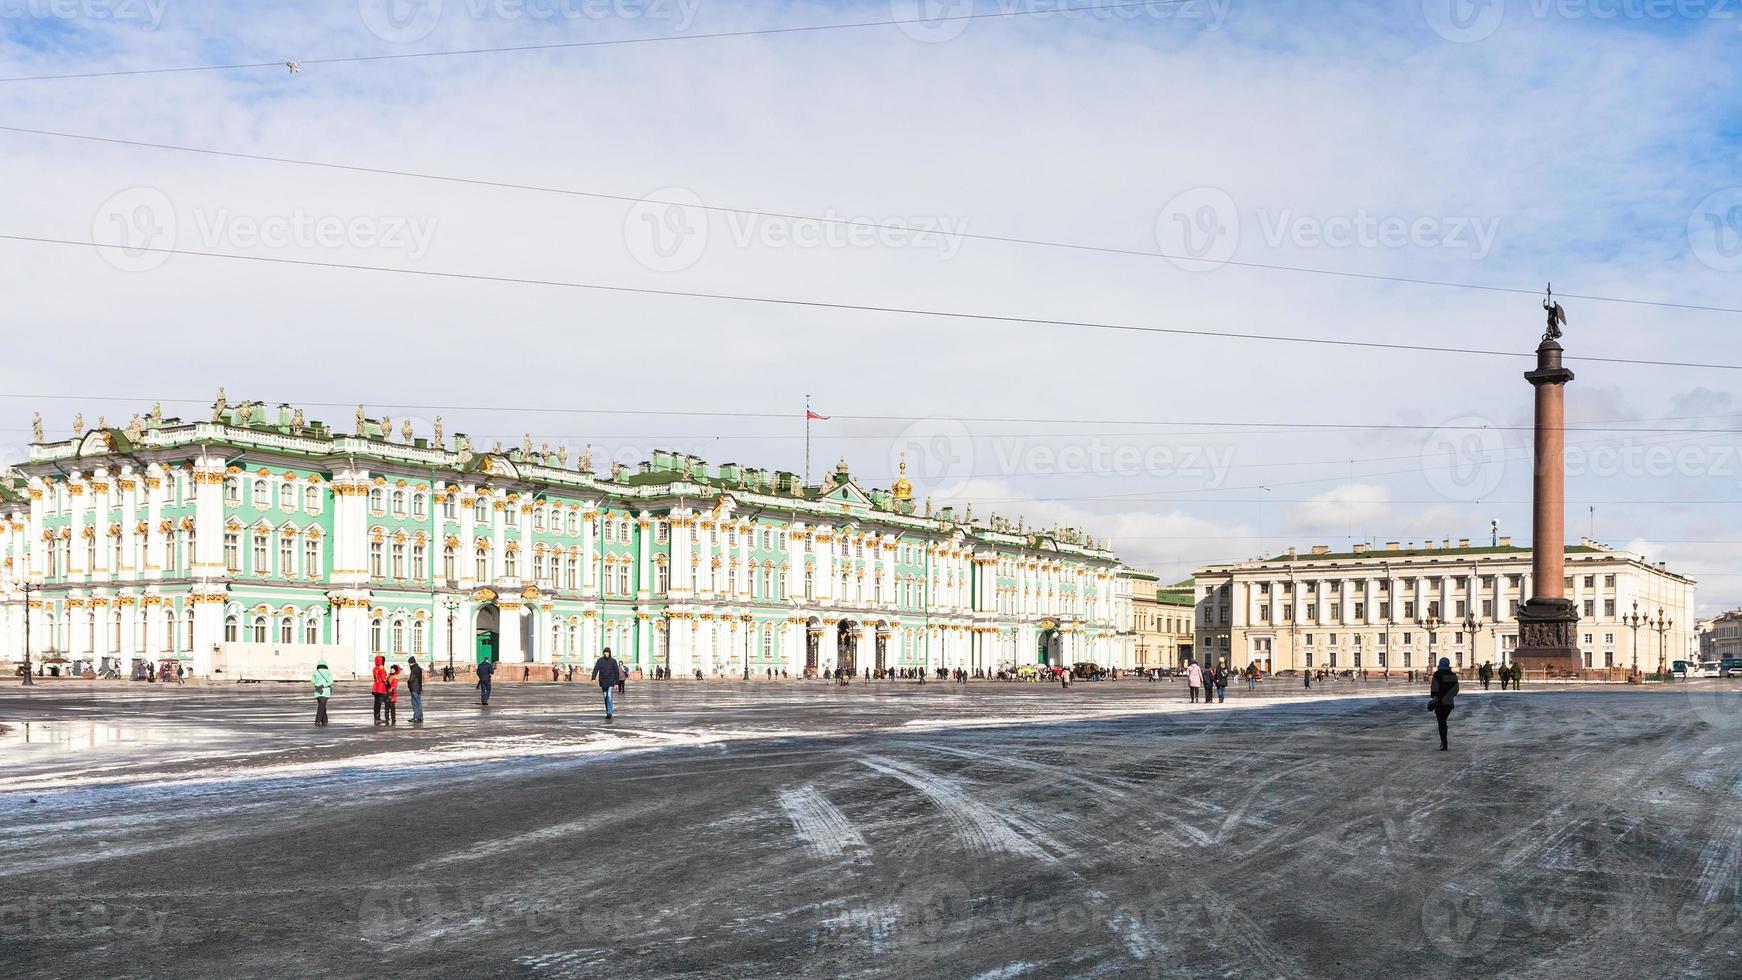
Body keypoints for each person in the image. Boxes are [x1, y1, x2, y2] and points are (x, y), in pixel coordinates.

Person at [1428, 656, 1459, 751]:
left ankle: (1444, 742)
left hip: (1439, 702)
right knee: (1443, 722)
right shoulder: (1452, 675)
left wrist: (1435, 698)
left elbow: (1434, 688)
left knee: (1441, 723)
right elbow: (1456, 689)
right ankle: (1444, 742)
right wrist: (1449, 696)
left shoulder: (1437, 674)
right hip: (1448, 703)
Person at [591, 647, 623, 720]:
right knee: (605, 697)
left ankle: (610, 713)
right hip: (603, 681)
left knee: (609, 696)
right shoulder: (600, 660)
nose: (606, 654)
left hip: (611, 681)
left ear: (610, 653)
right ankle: (607, 711)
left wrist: (617, 683)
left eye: (607, 652)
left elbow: (616, 672)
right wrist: (593, 678)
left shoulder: (613, 661)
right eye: (605, 652)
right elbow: (596, 669)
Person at [311, 660, 334, 726]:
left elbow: (313, 681)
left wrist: (318, 685)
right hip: (326, 691)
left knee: (322, 706)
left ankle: (325, 721)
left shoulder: (315, 672)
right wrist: (323, 685)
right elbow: (330, 682)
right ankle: (318, 721)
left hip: (318, 691)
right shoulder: (328, 672)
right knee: (322, 706)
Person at [371, 654, 388, 725]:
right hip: (381, 688)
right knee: (380, 703)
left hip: (375, 687)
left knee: (376, 703)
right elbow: (384, 678)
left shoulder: (375, 668)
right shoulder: (381, 668)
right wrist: (387, 683)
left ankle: (376, 717)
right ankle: (378, 718)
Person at [407, 655, 425, 724]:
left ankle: (416, 717)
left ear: (411, 662)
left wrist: (408, 682)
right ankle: (419, 716)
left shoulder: (414, 669)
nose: (408, 664)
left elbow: (411, 679)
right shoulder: (418, 668)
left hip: (414, 688)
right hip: (418, 688)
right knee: (418, 702)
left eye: (409, 663)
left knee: (415, 703)